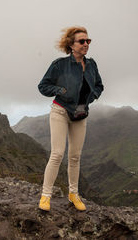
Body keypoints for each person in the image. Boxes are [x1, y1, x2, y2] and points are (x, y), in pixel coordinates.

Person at [37, 26, 104, 211]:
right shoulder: (59, 64)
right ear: (71, 45)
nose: (86, 44)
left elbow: (99, 85)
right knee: (57, 154)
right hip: (60, 111)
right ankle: (45, 196)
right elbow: (43, 86)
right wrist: (60, 91)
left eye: (88, 41)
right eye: (82, 41)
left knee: (75, 156)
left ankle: (73, 194)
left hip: (80, 114)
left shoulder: (91, 65)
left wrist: (92, 97)